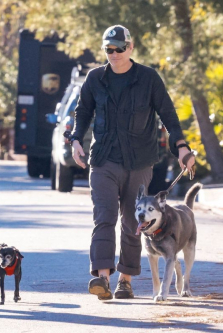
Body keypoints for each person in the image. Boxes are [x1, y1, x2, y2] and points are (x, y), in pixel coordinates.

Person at [69, 25, 195, 300]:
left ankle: (125, 280)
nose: (114, 54)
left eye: (119, 48)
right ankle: (102, 277)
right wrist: (76, 140)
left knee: (131, 221)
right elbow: (82, 112)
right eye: (108, 49)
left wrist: (182, 150)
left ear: (130, 47)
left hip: (139, 161)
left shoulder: (149, 79)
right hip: (103, 159)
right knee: (104, 216)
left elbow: (169, 117)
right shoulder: (94, 79)